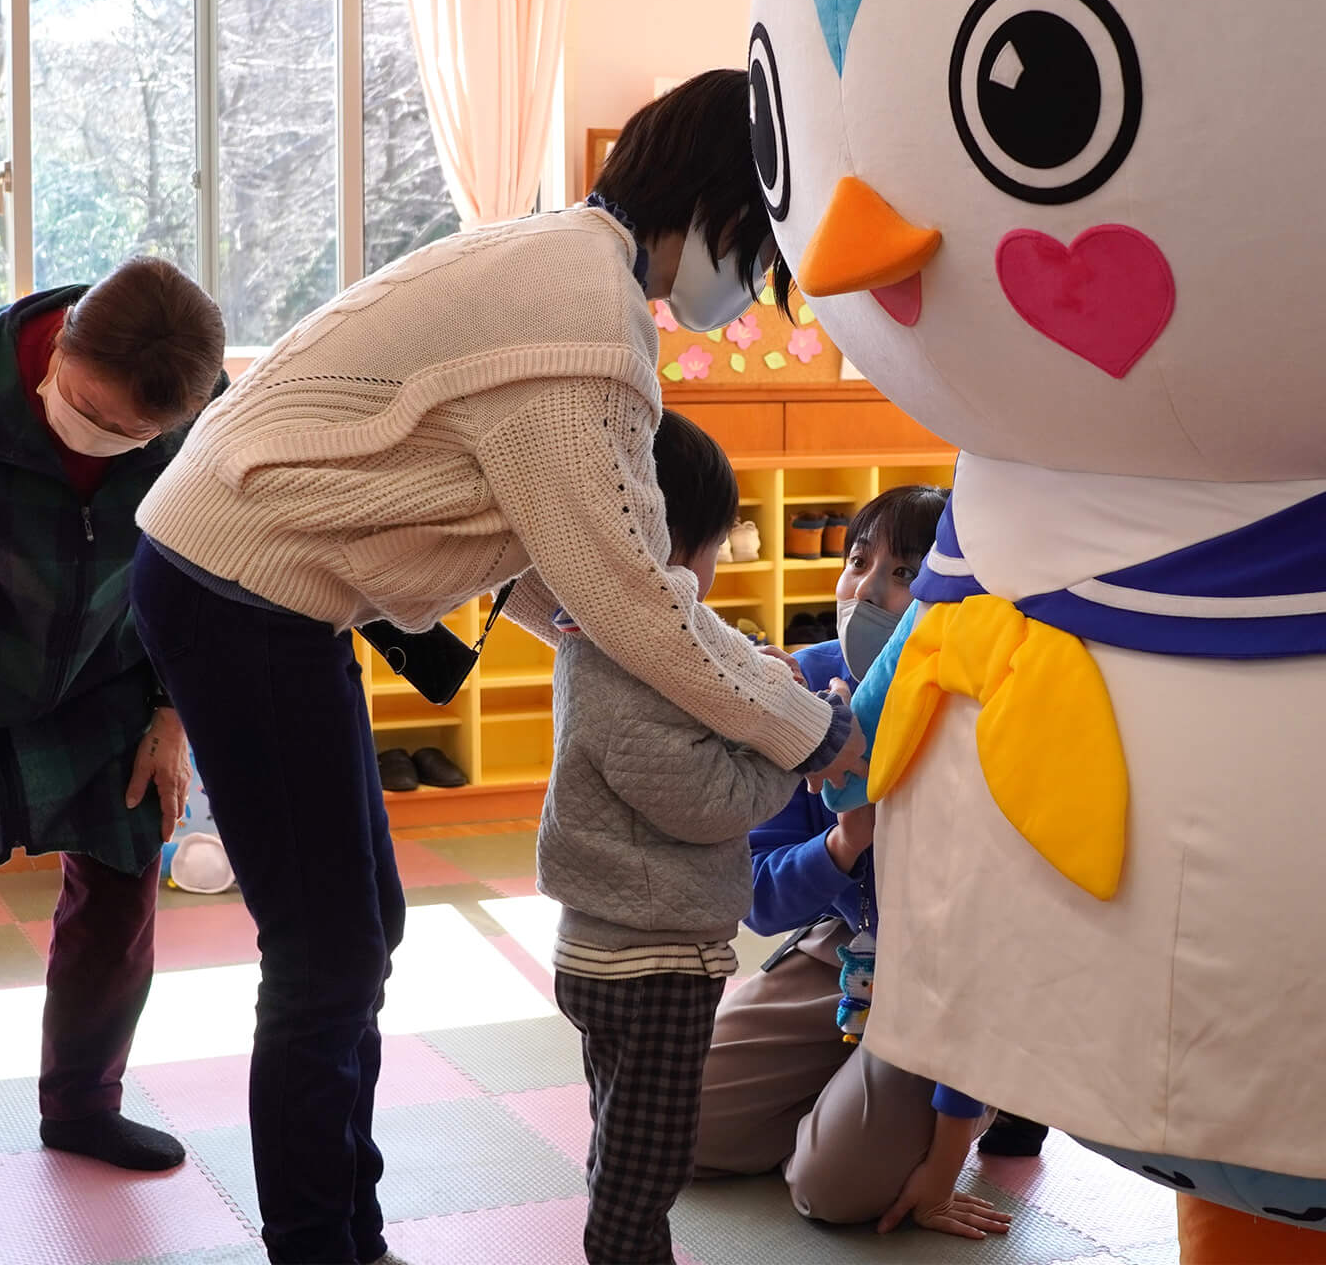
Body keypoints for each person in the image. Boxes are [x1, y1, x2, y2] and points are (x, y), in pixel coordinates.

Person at [129, 70, 866, 1265]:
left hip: (248, 577)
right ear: (717, 200)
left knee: (358, 928)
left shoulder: (561, 264)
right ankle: (326, 1245)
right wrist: (813, 732)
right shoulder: (582, 320)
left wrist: (612, 638)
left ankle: (345, 1225)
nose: (745, 290)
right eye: (757, 242)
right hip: (244, 589)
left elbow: (559, 563)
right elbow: (631, 592)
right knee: (328, 958)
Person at [0, 258, 225, 1174]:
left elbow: (213, 569)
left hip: (108, 674)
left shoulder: (211, 415)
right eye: (89, 409)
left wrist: (173, 715)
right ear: (65, 339)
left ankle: (83, 1103)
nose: (103, 436)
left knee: (124, 882)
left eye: (134, 435)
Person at [692, 485, 1015, 1242]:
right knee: (676, 1126)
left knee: (831, 1191)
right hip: (849, 948)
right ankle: (847, 1101)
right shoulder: (806, 683)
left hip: (954, 977)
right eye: (858, 561)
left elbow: (987, 960)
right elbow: (761, 899)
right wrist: (845, 840)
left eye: (903, 573)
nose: (866, 590)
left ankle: (994, 1097)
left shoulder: (985, 709)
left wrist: (941, 1164)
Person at [540, 410, 816, 1265]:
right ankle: (626, 1252)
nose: (710, 576)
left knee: (622, 1137)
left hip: (610, 950)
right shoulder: (625, 667)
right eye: (709, 551)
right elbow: (708, 799)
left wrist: (753, 682)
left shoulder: (604, 635)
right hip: (650, 963)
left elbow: (704, 695)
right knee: (650, 1159)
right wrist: (789, 750)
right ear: (665, 548)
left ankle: (623, 1235)